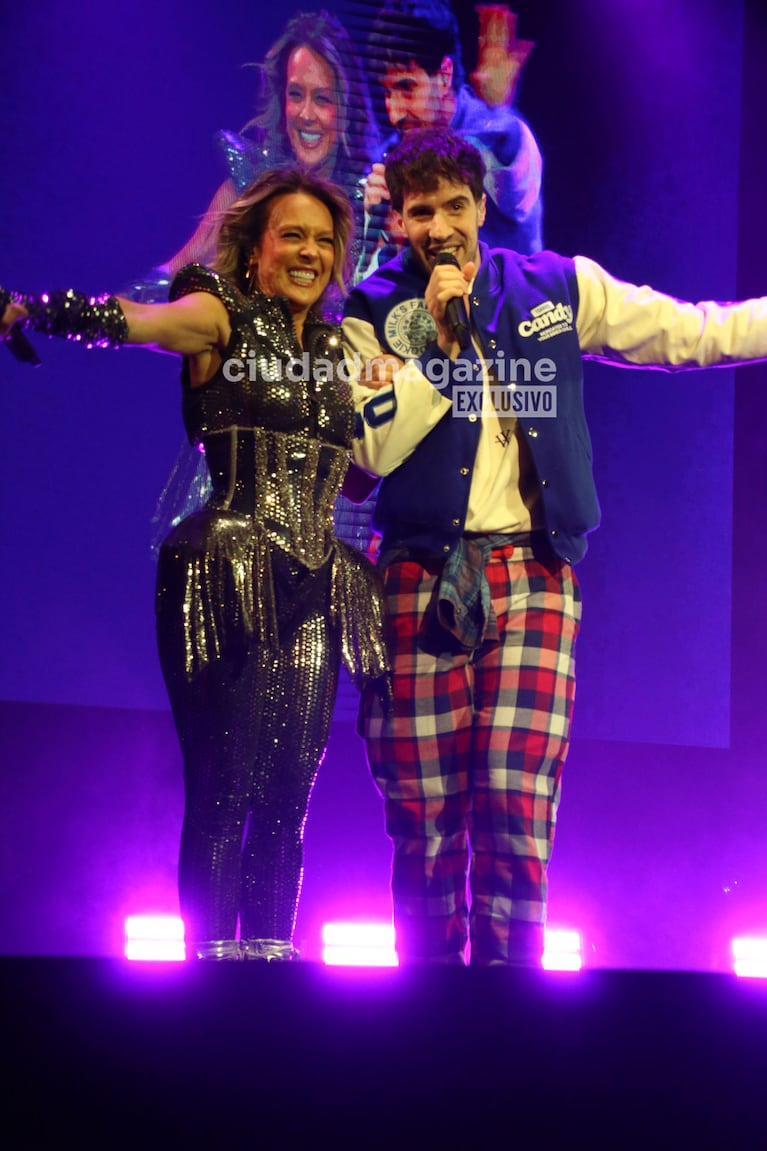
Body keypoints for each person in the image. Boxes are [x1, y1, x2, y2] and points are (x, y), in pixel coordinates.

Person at [343, 126, 767, 967]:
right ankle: (425, 1015)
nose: (437, 227)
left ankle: (509, 1013)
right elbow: (368, 452)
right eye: (418, 210)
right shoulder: (367, 313)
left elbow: (688, 333)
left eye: (453, 206)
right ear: (395, 219)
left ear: (480, 206)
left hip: (533, 574)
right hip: (417, 573)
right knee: (424, 812)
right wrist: (438, 343)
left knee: (514, 797)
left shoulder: (552, 284)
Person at [0, 168, 390, 961]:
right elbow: (136, 320)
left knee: (288, 798)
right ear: (255, 249)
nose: (309, 252)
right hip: (228, 574)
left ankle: (272, 969)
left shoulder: (332, 353)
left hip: (314, 585)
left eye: (323, 240)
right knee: (227, 783)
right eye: (292, 235)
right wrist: (34, 308)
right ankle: (211, 980)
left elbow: (354, 473)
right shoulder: (220, 315)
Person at [139, 9, 380, 298]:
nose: (305, 114)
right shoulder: (248, 186)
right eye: (295, 94)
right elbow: (176, 271)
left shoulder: (369, 206)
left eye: (322, 98)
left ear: (346, 107)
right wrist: (110, 312)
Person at [356, 0, 543, 278]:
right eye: (386, 93)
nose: (394, 114)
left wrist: (500, 115)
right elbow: (367, 288)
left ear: (444, 75)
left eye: (406, 88)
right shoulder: (388, 157)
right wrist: (380, 226)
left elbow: (513, 177)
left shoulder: (495, 139)